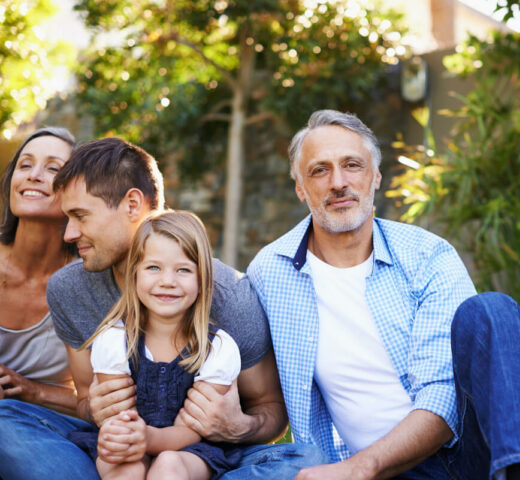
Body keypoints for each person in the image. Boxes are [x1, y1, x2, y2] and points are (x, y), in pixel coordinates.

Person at [247, 110, 520, 480]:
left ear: (375, 176)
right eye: (320, 170)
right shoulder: (271, 271)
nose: (338, 182)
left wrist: (359, 469)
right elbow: (248, 377)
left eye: (352, 165)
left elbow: (443, 397)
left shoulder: (428, 255)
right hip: (358, 469)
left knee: (493, 310)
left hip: (459, 456)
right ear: (300, 188)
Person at [0, 137, 323, 480]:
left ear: (132, 204)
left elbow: (270, 413)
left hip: (202, 458)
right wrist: (97, 410)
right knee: (6, 419)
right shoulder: (70, 289)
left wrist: (238, 426)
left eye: (80, 216)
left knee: (306, 461)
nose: (68, 233)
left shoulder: (229, 297)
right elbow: (85, 403)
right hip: (117, 453)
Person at [69, 211, 247, 480]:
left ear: (202, 281)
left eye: (183, 270)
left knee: (168, 466)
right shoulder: (115, 339)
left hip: (191, 448)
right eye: (154, 267)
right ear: (135, 275)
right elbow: (116, 417)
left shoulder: (217, 347)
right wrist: (123, 437)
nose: (167, 281)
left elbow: (193, 429)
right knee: (127, 467)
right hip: (127, 441)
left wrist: (148, 439)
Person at [0, 127, 78, 417]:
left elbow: (98, 402)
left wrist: (31, 391)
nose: (34, 176)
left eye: (53, 168)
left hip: (48, 422)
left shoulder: (88, 281)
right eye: (25, 164)